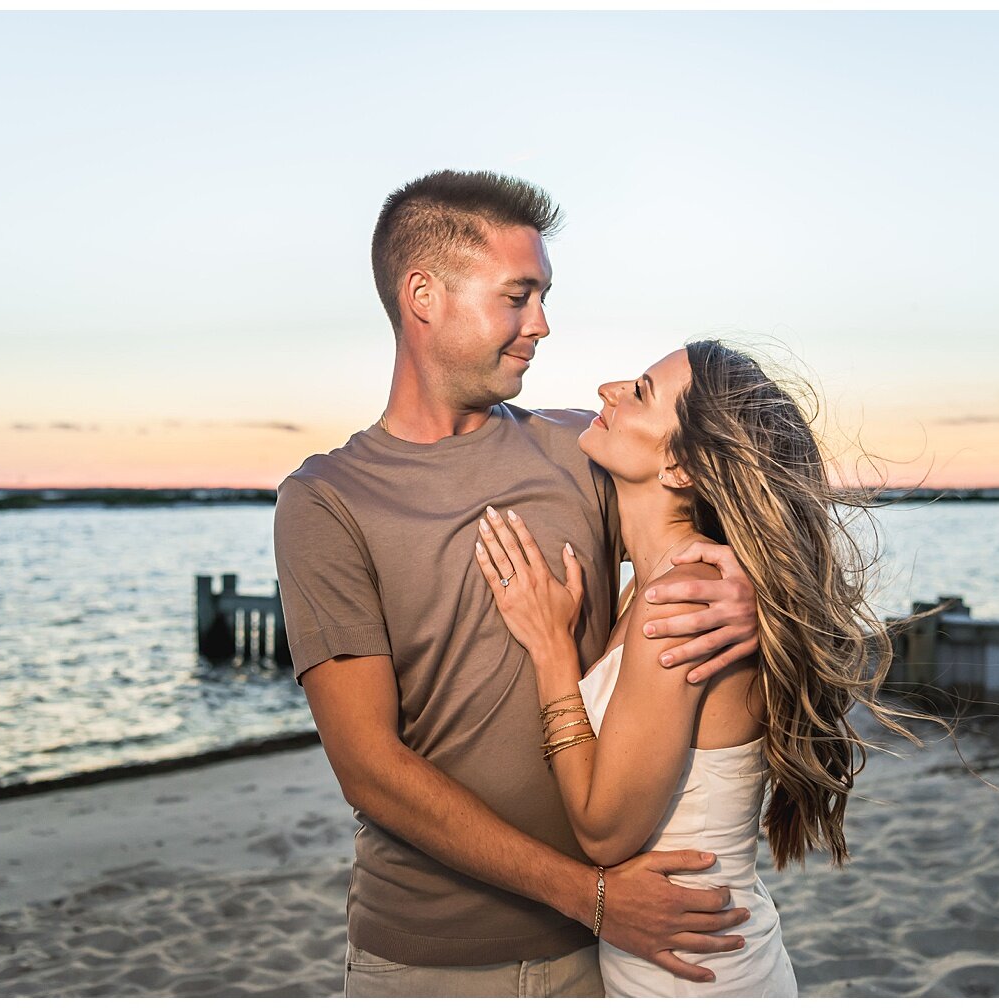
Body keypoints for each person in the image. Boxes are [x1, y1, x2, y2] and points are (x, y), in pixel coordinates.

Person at [273, 170, 763, 997]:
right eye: (518, 295)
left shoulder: (588, 449)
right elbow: (369, 768)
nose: (541, 324)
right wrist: (593, 897)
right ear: (423, 296)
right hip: (429, 961)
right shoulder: (327, 500)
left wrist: (749, 593)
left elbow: (721, 492)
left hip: (606, 957)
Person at [472, 340, 941, 996]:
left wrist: (552, 651)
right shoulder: (667, 585)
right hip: (698, 960)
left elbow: (604, 832)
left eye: (639, 391)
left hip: (696, 979)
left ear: (682, 466)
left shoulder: (682, 598)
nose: (606, 389)